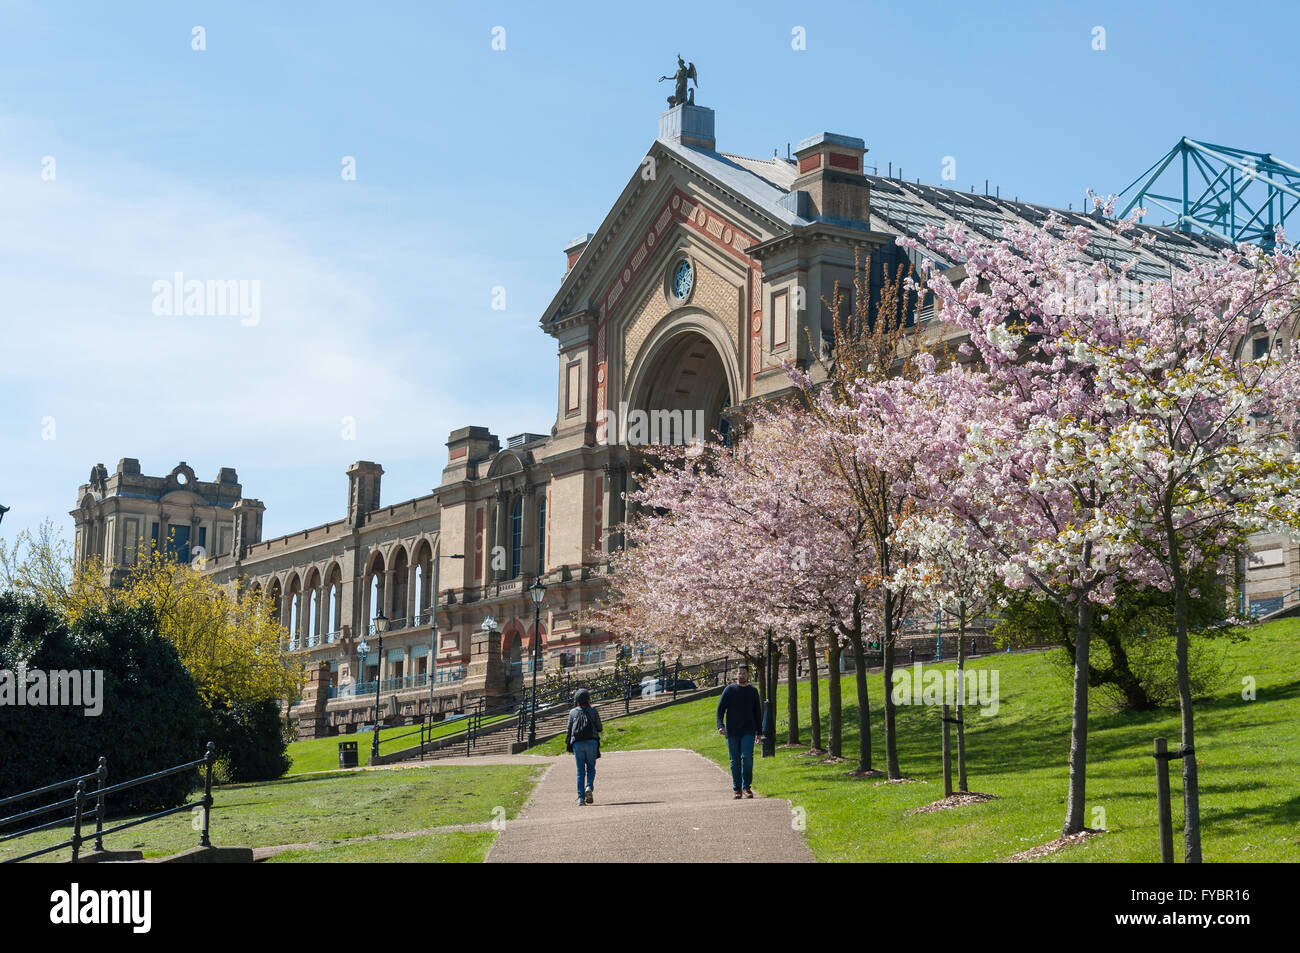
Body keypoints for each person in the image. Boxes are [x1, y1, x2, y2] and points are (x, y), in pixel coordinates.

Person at [716, 663, 763, 799]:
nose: (741, 675)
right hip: (732, 731)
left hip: (748, 730)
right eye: (739, 673)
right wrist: (720, 725)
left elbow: (757, 713)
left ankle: (746, 787)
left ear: (748, 675)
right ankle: (737, 789)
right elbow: (720, 710)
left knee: (747, 757)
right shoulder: (729, 690)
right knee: (734, 761)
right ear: (736, 674)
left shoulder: (753, 691)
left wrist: (759, 733)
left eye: (744, 673)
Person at [565, 687, 603, 805]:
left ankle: (581, 798)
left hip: (578, 743)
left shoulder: (573, 712)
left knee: (580, 771)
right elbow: (599, 727)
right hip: (591, 742)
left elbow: (569, 730)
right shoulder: (593, 710)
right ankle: (589, 787)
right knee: (591, 769)